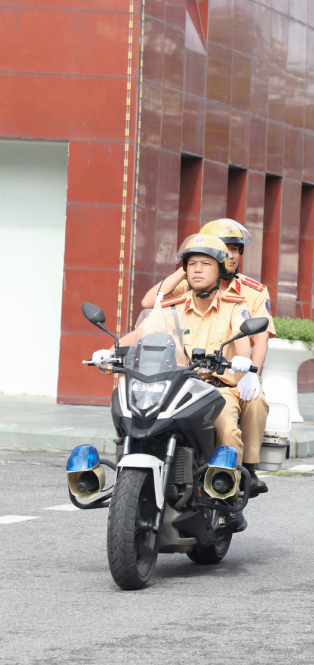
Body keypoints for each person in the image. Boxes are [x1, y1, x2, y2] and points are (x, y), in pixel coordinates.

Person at [92, 235, 265, 531]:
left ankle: (228, 499)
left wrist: (243, 363)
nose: (197, 269)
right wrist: (110, 351)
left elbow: (244, 337)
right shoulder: (172, 306)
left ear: (220, 269)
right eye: (191, 263)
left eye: (205, 264)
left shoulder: (235, 305)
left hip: (216, 388)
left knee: (226, 426)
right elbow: (143, 332)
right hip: (175, 386)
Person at [141, 219, 275, 497]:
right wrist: (190, 265)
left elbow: (258, 338)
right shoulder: (189, 285)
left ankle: (246, 470)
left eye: (235, 249)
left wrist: (252, 374)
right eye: (224, 248)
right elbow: (150, 306)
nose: (231, 255)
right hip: (185, 378)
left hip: (232, 373)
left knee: (253, 402)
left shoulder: (250, 292)